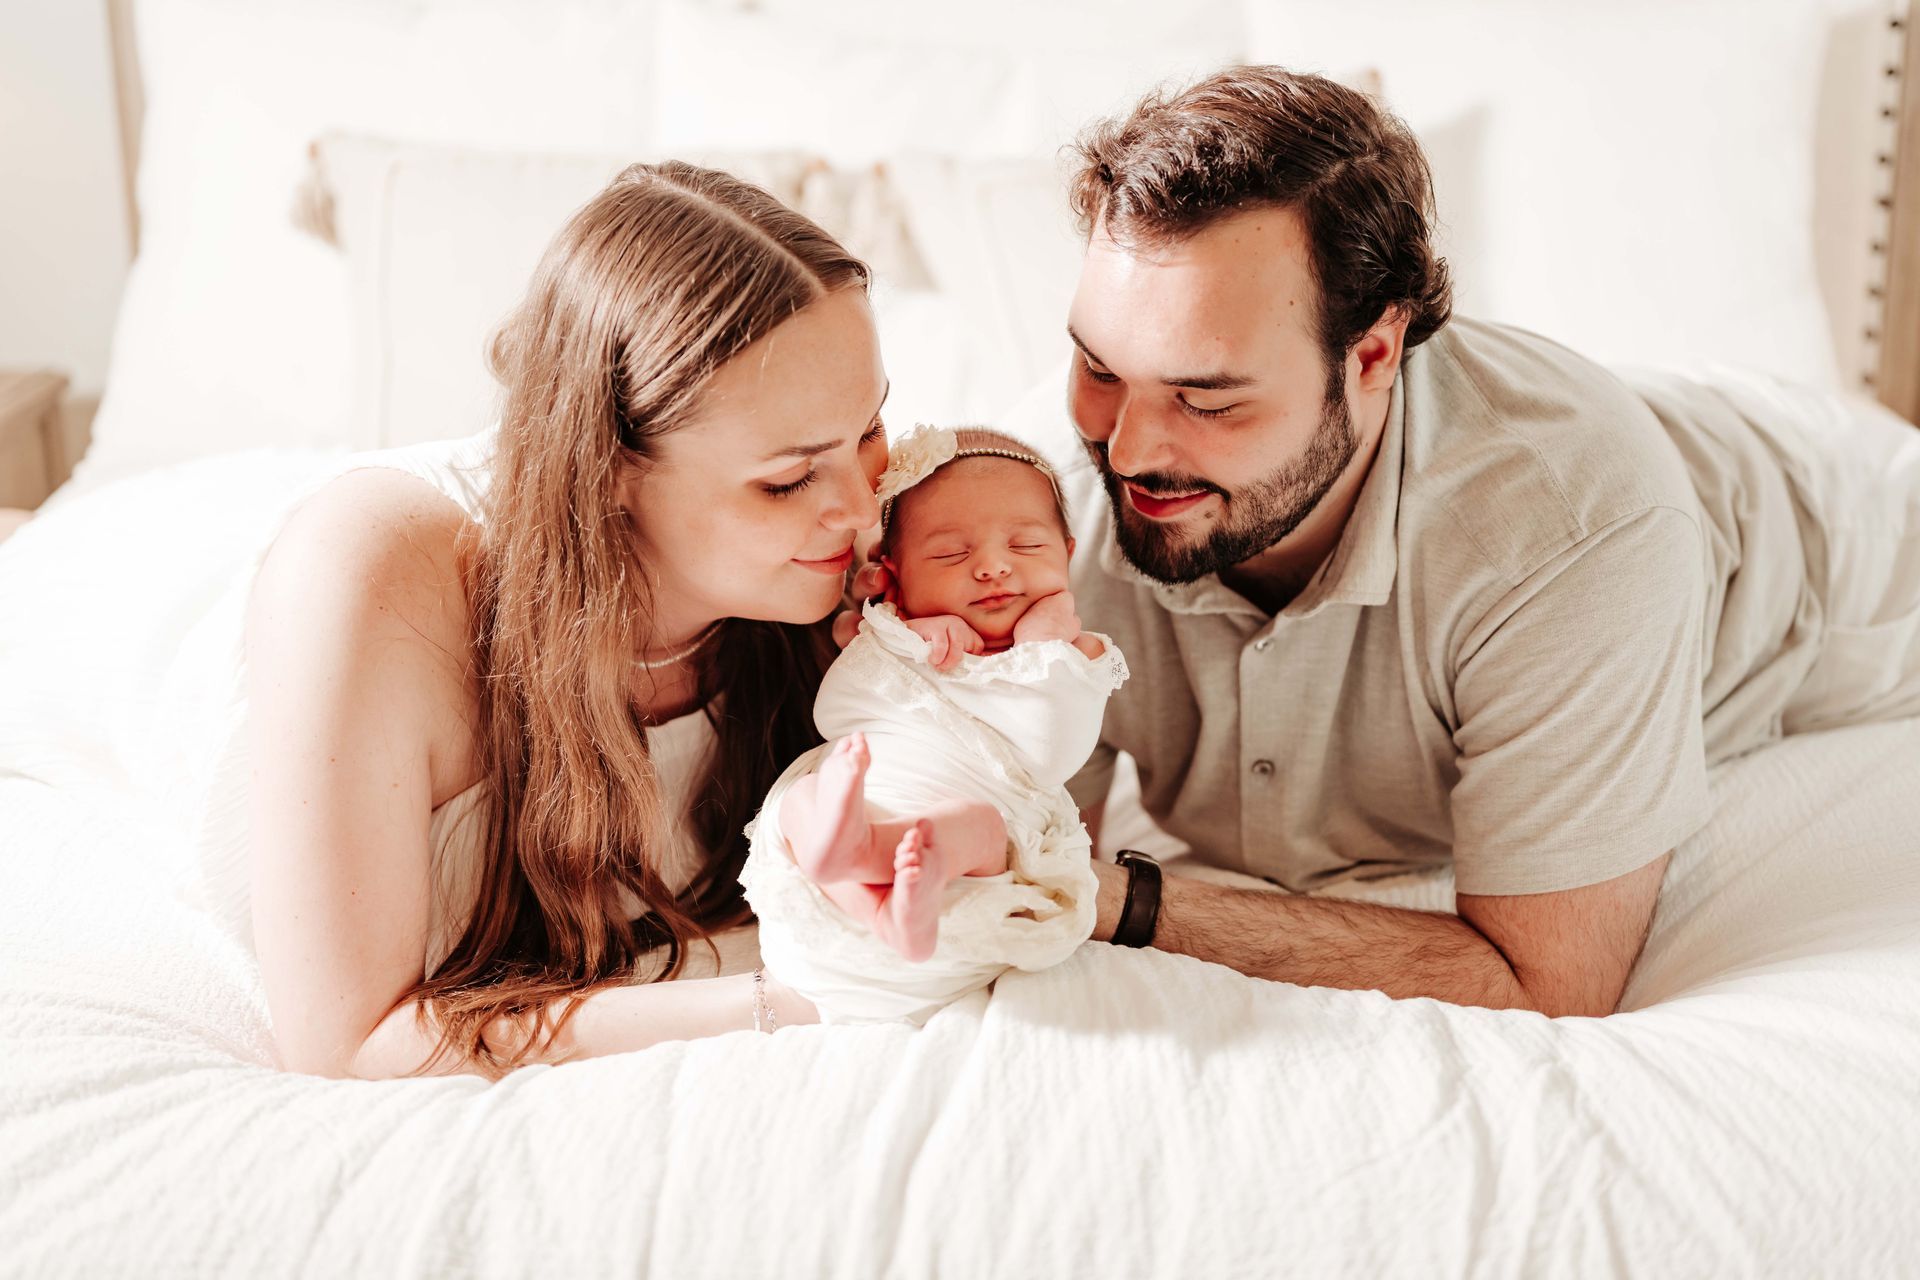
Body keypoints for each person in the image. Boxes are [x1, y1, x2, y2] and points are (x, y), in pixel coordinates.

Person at [1001, 66, 1920, 1018]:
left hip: (1848, 548)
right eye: (1100, 368)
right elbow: (1011, 844)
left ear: (1371, 357)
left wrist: (1121, 901)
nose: (1129, 446)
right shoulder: (1038, 503)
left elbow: (1551, 977)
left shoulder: (1576, 535)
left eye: (1209, 398)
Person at [233, 161, 904, 1076]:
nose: (864, 511)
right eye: (787, 481)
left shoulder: (851, 556)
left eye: (869, 430)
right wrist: (779, 1008)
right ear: (613, 463)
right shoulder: (368, 579)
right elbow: (344, 1042)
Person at [741, 426, 1126, 1024]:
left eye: (1027, 547)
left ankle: (873, 862)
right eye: (950, 554)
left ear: (1067, 555)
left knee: (978, 826)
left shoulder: (1075, 655)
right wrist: (903, 639)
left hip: (958, 884)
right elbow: (838, 713)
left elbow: (1051, 755)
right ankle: (868, 890)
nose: (994, 568)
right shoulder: (894, 633)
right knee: (801, 797)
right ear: (891, 578)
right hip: (820, 914)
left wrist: (1039, 650)